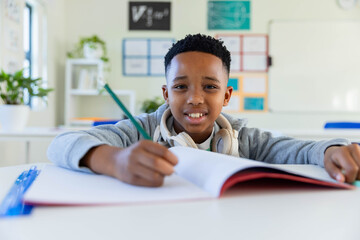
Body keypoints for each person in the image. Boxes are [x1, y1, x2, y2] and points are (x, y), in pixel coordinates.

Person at [48, 34, 360, 187]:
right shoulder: (138, 132)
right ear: (166, 93)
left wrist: (330, 150)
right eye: (181, 87)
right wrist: (113, 159)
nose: (195, 99)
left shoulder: (242, 138)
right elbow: (61, 143)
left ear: (227, 96)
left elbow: (295, 149)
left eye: (210, 87)